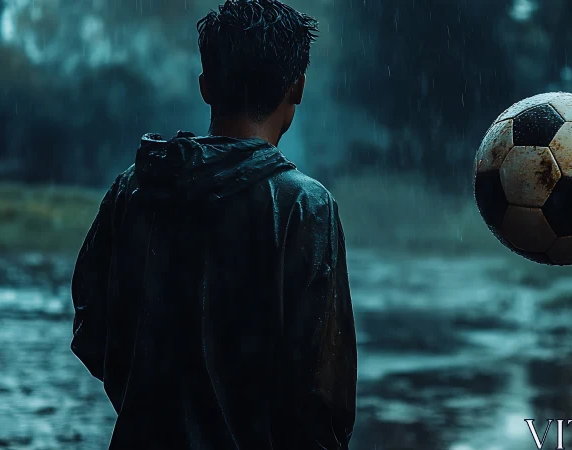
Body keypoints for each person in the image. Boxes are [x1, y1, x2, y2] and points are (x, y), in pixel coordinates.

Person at [69, 1, 357, 448]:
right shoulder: (305, 206)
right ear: (297, 87)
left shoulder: (137, 187)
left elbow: (92, 328)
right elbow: (323, 393)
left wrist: (156, 403)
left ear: (206, 86)